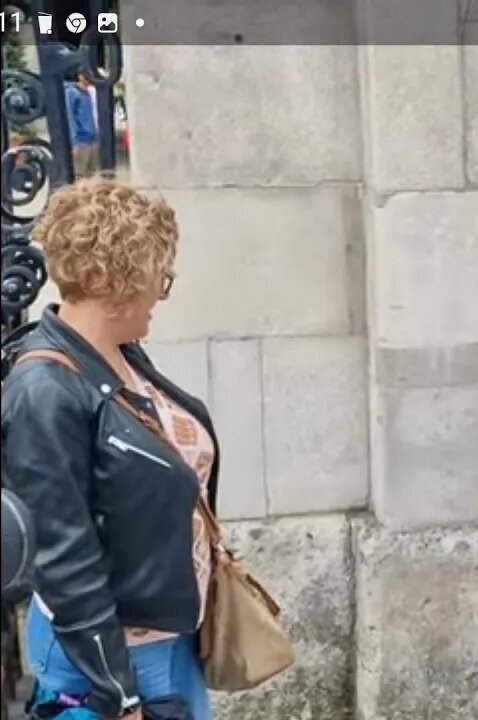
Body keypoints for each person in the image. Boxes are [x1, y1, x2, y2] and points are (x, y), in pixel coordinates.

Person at [1, 177, 220, 720]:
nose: (160, 294)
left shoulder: (120, 356)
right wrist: (118, 691)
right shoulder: (43, 392)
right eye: (157, 278)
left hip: (165, 640)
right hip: (108, 658)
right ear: (119, 280)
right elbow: (63, 553)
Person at [63, 70, 99, 178]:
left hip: (92, 137)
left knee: (92, 172)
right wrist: (74, 140)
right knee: (79, 172)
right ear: (80, 76)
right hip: (80, 138)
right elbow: (69, 116)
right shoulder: (72, 92)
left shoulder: (88, 92)